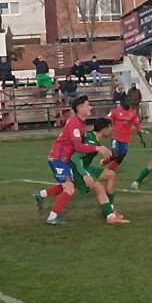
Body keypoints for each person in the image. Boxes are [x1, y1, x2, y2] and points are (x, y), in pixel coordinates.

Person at [33, 95, 112, 225]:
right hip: (59, 158)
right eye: (87, 104)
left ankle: (40, 195)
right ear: (80, 108)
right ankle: (52, 218)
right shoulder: (75, 123)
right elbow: (78, 146)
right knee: (69, 188)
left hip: (64, 159)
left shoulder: (80, 122)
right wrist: (97, 148)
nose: (90, 107)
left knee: (70, 184)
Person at [69, 117, 129, 225]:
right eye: (110, 127)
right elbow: (75, 158)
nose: (112, 129)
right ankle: (110, 217)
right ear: (104, 129)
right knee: (99, 188)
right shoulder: (92, 142)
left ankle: (110, 209)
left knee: (111, 174)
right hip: (78, 169)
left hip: (85, 167)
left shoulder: (94, 137)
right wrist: (84, 174)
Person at [106, 97, 145, 170]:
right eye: (127, 100)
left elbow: (137, 126)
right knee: (115, 154)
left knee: (121, 155)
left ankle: (110, 170)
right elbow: (107, 119)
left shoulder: (132, 113)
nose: (129, 102)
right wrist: (106, 129)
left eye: (130, 100)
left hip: (126, 139)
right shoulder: (115, 111)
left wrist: (141, 138)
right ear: (123, 101)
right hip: (116, 136)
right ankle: (104, 162)